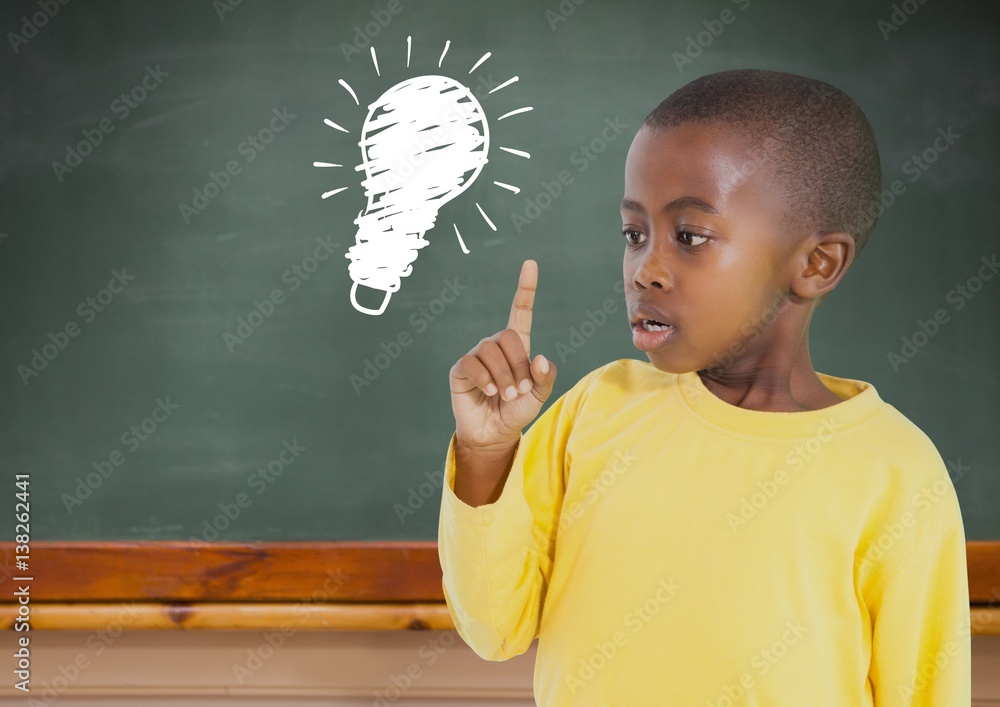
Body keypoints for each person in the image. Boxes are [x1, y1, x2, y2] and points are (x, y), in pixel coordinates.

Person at [438, 69, 970, 705]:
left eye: (689, 236)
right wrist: (486, 453)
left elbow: (925, 691)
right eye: (634, 235)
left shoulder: (896, 473)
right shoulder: (599, 408)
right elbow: (495, 628)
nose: (646, 270)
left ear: (815, 264)